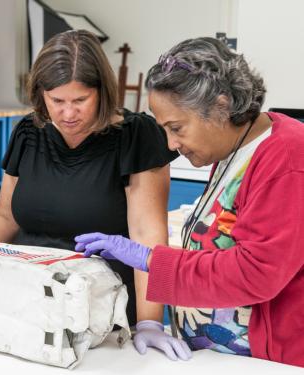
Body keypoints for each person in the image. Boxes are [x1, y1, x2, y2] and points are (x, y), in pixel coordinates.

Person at [75, 37, 304, 367]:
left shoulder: (285, 156)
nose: (171, 143)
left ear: (221, 106)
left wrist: (152, 260)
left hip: (265, 361)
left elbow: (255, 273)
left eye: (176, 127)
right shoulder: (232, 151)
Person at [0, 30, 191, 361]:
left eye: (80, 101)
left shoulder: (135, 136)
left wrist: (149, 323)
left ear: (102, 92)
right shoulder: (30, 132)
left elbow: (147, 238)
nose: (67, 114)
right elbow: (5, 216)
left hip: (101, 315)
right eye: (56, 101)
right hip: (29, 302)